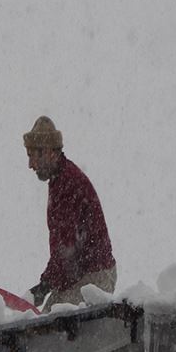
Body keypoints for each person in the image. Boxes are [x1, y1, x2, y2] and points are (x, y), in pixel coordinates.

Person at [23, 116, 116, 312]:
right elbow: (63, 249)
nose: (30, 164)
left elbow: (68, 248)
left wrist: (45, 286)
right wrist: (47, 282)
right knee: (44, 324)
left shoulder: (68, 184)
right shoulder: (59, 181)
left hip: (94, 277)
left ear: (48, 152)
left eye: (32, 155)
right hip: (78, 275)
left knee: (47, 329)